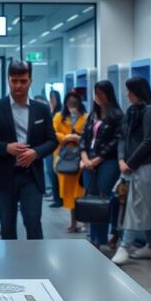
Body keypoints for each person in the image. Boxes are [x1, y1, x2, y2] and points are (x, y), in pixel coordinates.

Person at [0, 61, 58, 240]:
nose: (18, 86)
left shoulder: (41, 109)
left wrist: (36, 153)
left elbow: (52, 141)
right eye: (14, 81)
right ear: (8, 80)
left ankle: (34, 258)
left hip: (31, 175)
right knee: (7, 226)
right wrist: (6, 148)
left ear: (30, 81)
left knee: (33, 223)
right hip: (3, 174)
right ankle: (11, 259)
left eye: (23, 81)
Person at [112, 76, 151, 265]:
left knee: (136, 207)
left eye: (130, 91)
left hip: (144, 167)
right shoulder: (131, 111)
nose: (127, 95)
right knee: (142, 206)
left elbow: (149, 141)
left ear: (138, 92)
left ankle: (125, 246)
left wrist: (130, 163)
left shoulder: (150, 111)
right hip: (129, 167)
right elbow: (122, 137)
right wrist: (121, 159)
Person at [80, 80, 123, 251]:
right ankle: (94, 238)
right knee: (91, 198)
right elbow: (84, 137)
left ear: (108, 94)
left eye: (101, 93)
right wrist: (84, 157)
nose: (97, 97)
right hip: (88, 160)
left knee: (103, 199)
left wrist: (97, 159)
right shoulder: (92, 115)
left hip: (107, 162)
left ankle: (102, 238)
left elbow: (115, 141)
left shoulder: (117, 116)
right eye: (95, 93)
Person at [53, 90, 87, 234]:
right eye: (69, 102)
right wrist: (66, 137)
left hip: (82, 157)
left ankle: (84, 221)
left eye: (75, 102)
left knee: (81, 190)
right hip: (64, 157)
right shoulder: (59, 117)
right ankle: (73, 222)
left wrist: (79, 137)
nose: (72, 105)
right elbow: (53, 132)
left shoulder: (86, 117)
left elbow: (90, 133)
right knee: (69, 192)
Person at [45, 89, 64, 208]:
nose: (51, 100)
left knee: (54, 172)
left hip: (57, 148)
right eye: (50, 98)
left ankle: (58, 198)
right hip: (48, 146)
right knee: (50, 172)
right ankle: (56, 196)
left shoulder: (59, 113)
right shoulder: (50, 112)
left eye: (53, 98)